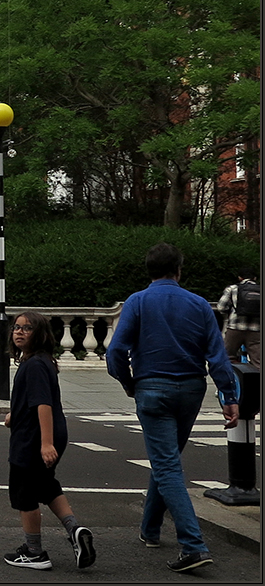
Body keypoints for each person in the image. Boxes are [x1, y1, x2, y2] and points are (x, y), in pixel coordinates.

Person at [107, 242, 240, 574]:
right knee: (166, 458)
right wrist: (229, 396)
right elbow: (217, 357)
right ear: (178, 270)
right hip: (191, 389)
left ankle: (193, 546)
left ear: (149, 270)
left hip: (152, 388)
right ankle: (150, 529)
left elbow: (114, 353)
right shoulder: (198, 305)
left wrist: (129, 383)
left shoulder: (137, 302)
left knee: (165, 464)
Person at [2, 311, 95, 571]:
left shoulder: (33, 366)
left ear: (40, 334)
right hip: (41, 432)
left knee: (24, 494)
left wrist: (45, 443)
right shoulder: (41, 362)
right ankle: (75, 530)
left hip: (34, 438)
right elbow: (36, 400)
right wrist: (15, 414)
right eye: (17, 328)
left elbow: (43, 404)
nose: (19, 332)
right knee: (46, 485)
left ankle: (34, 552)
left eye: (27, 328)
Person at [216, 273, 260, 367]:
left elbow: (221, 307)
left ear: (240, 277)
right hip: (256, 330)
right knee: (258, 362)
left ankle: (231, 379)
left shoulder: (232, 288)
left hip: (235, 328)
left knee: (226, 358)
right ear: (255, 278)